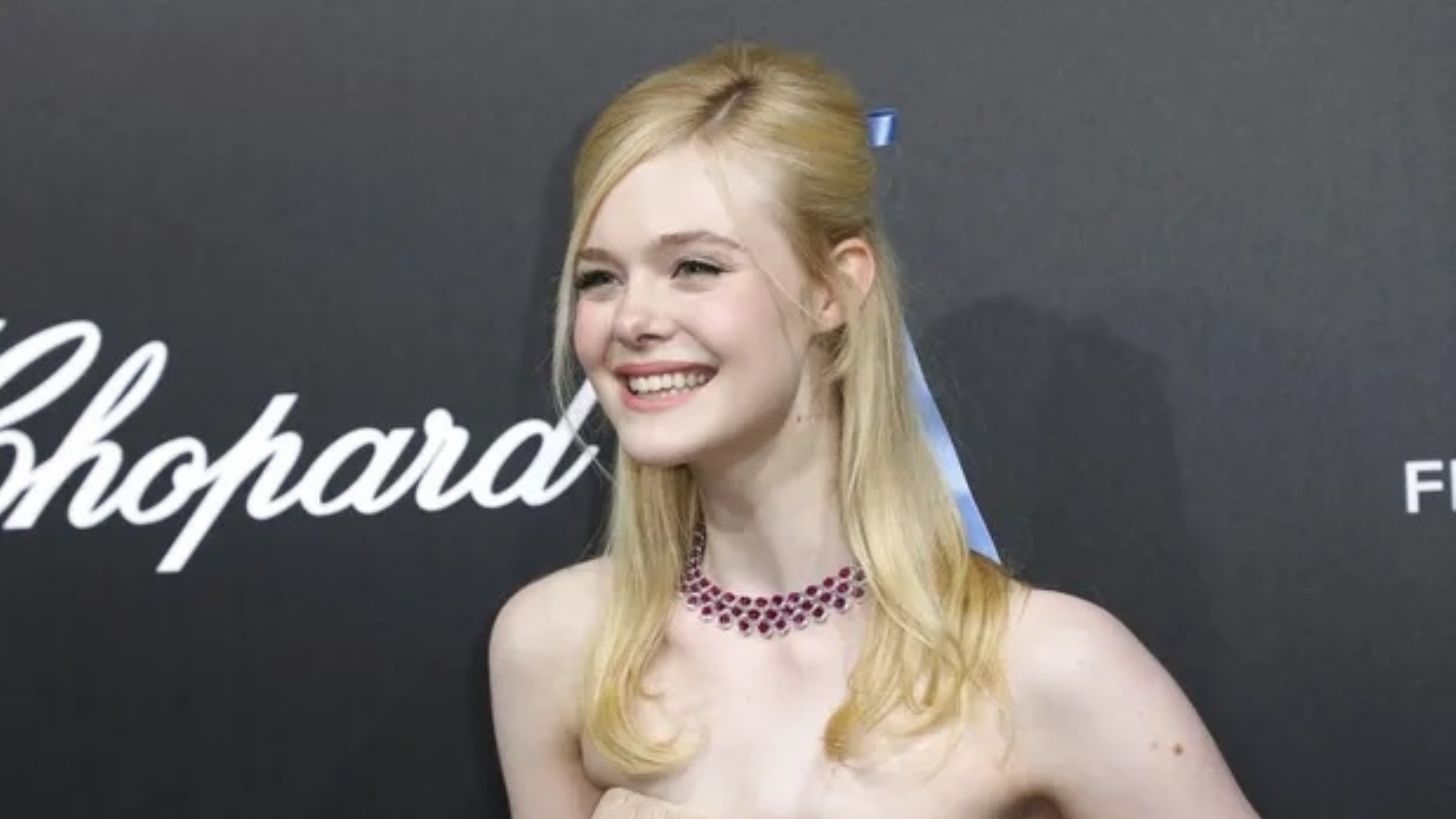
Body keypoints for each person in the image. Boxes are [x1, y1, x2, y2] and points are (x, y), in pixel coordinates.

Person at [489, 41, 1262, 819]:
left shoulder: (1046, 667)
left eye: (696, 266)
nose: (632, 319)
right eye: (600, 277)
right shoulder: (557, 648)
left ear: (834, 286)